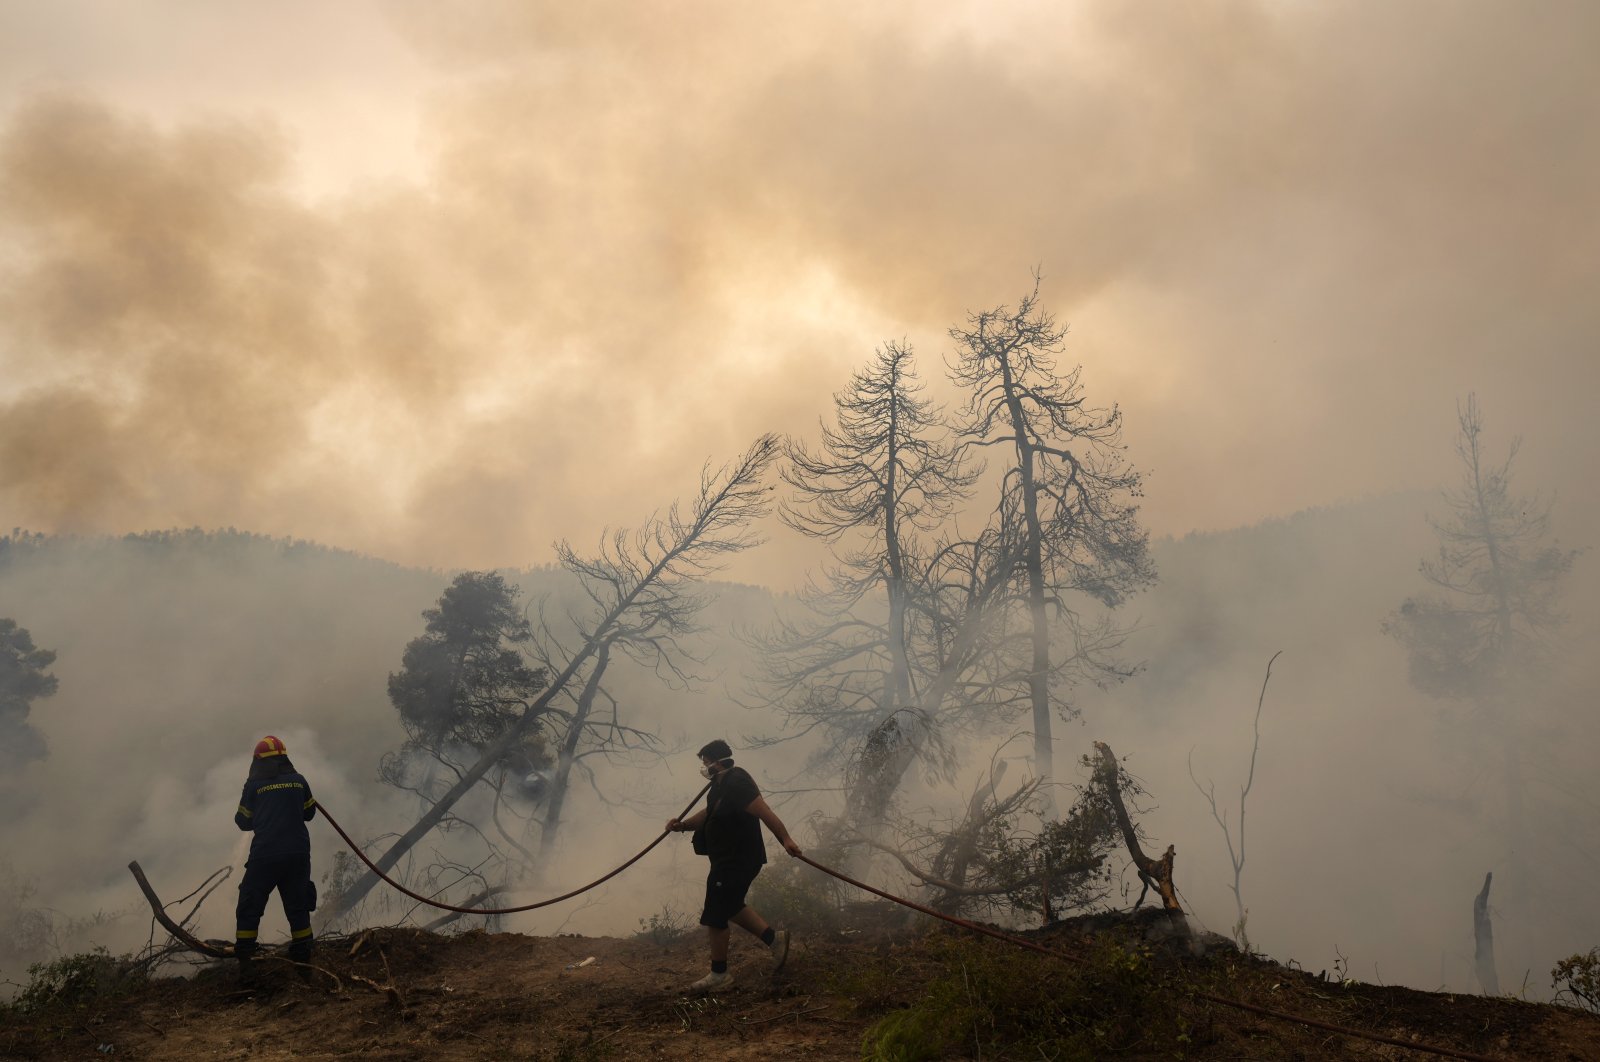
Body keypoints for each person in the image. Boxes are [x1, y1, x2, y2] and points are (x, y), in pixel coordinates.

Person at [666, 739, 803, 994]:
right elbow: (709, 813)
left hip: (736, 859)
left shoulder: (737, 782)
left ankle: (720, 974)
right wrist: (682, 825)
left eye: (706, 763)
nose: (704, 768)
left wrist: (786, 839)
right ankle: (775, 940)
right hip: (726, 859)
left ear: (718, 762)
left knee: (715, 912)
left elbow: (764, 811)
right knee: (731, 905)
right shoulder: (719, 786)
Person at [233, 735, 318, 983]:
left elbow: (242, 822)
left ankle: (246, 966)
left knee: (250, 905)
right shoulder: (299, 781)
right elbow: (310, 813)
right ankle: (304, 964)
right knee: (298, 907)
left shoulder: (254, 786)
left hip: (265, 856)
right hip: (297, 855)